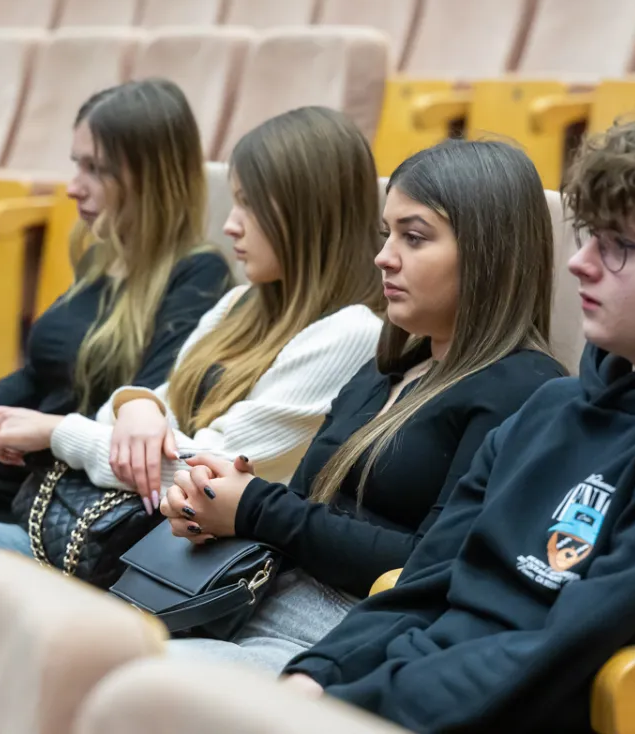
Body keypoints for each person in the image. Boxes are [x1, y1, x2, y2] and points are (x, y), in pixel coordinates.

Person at [281, 111, 635, 733]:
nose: (581, 264)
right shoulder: (553, 408)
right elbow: (426, 583)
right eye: (588, 236)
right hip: (401, 697)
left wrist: (344, 708)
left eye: (619, 246)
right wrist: (315, 675)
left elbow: (561, 666)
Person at [166, 140, 568, 671]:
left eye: (414, 237)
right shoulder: (390, 365)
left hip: (348, 637)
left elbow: (432, 568)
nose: (384, 257)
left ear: (489, 254)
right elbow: (308, 508)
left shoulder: (526, 387)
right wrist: (217, 506)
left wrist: (256, 508)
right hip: (251, 597)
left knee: (137, 683)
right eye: (386, 235)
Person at [0, 106, 386, 552]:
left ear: (310, 213)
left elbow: (210, 474)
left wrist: (58, 432)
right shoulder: (243, 302)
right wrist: (138, 405)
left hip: (189, 570)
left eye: (248, 204)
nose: (230, 224)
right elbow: (144, 413)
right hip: (133, 538)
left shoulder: (353, 332)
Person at [0, 78, 231, 523]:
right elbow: (40, 375)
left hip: (58, 518)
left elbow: (130, 426)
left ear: (153, 179)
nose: (74, 187)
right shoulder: (103, 256)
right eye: (78, 165)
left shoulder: (198, 275)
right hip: (9, 494)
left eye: (97, 169)